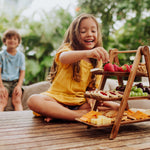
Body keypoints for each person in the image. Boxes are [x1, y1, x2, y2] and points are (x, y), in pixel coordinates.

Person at [27, 13, 119, 122]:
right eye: (83, 31)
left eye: (93, 31)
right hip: (56, 99)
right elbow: (63, 58)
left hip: (80, 103)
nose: (89, 34)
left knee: (113, 107)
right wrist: (88, 53)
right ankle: (74, 115)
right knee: (33, 100)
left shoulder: (96, 60)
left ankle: (59, 114)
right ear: (75, 34)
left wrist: (93, 99)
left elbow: (92, 87)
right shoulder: (68, 49)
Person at [0, 29, 25, 111]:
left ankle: (20, 122)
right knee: (2, 101)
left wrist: (18, 86)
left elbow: (22, 72)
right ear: (5, 41)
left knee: (17, 100)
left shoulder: (21, 56)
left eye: (15, 39)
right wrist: (1, 87)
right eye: (9, 38)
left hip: (16, 81)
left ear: (18, 42)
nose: (12, 40)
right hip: (4, 81)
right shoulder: (1, 55)